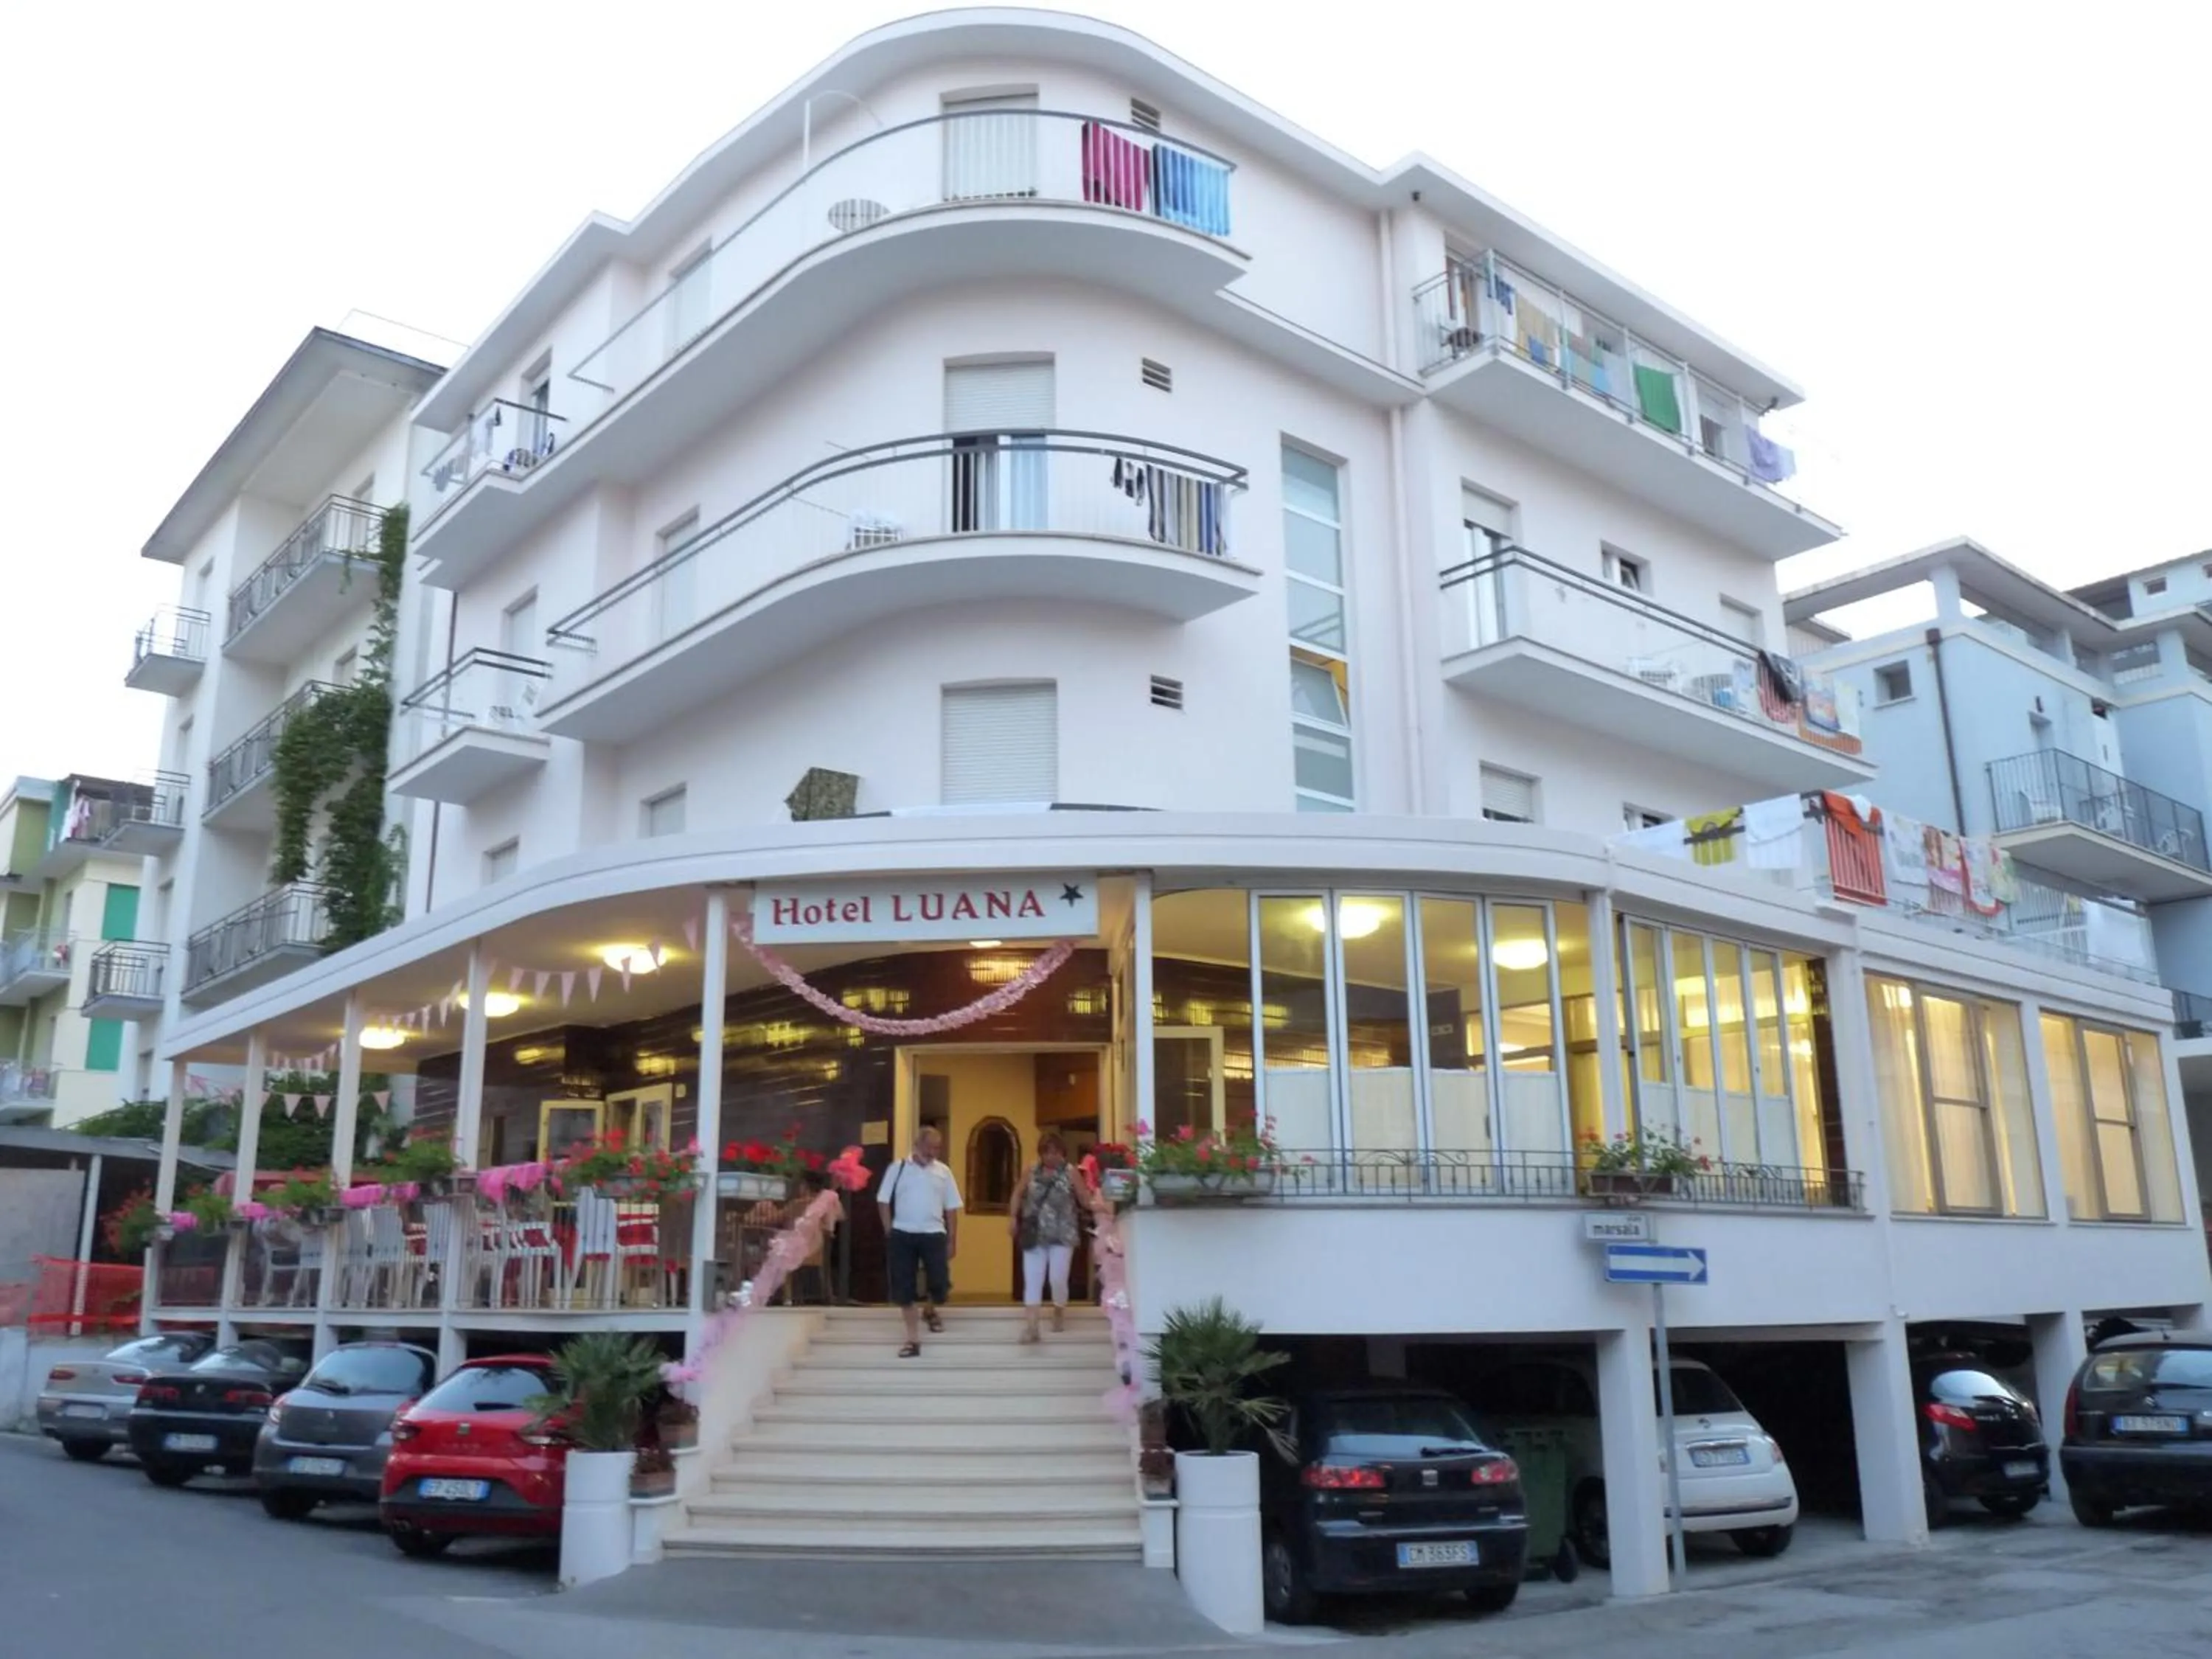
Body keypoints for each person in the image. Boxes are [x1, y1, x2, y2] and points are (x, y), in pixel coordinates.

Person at [877, 1127, 961, 1357]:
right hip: (903, 1233)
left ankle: (930, 1310)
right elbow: (883, 1200)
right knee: (904, 1287)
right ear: (919, 1145)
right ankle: (913, 1339)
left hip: (934, 1233)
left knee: (939, 1282)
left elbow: (952, 1208)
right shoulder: (899, 1168)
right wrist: (889, 1229)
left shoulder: (944, 1172)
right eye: (931, 1147)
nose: (934, 1152)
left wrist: (953, 1239)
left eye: (937, 1148)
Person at [1009, 1132, 1088, 1343]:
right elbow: (1017, 1193)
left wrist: (1103, 1206)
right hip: (1035, 1233)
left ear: (1063, 1153)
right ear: (1041, 1153)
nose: (1052, 1157)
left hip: (1063, 1234)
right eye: (1047, 1152)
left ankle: (1059, 1308)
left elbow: (1083, 1198)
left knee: (1057, 1278)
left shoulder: (1070, 1172)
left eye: (1056, 1152)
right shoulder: (1031, 1171)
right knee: (1033, 1279)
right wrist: (1013, 1219)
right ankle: (1032, 1327)